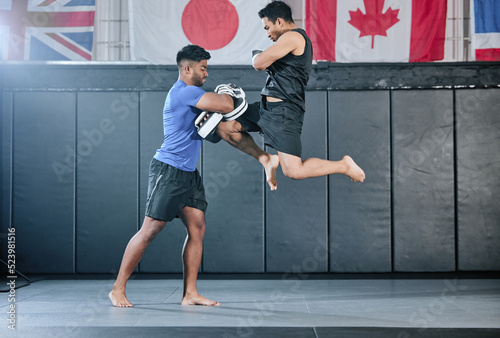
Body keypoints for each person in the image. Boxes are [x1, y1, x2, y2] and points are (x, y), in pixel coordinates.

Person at [109, 45, 241, 307]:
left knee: (198, 227)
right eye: (203, 68)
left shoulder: (193, 94)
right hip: (169, 171)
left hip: (188, 173)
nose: (206, 73)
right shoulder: (185, 92)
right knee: (150, 230)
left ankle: (190, 293)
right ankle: (117, 288)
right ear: (187, 68)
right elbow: (227, 104)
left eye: (207, 68)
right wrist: (228, 93)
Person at [216, 1, 365, 182]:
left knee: (294, 171)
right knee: (226, 127)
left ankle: (344, 165)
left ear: (279, 21)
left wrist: (256, 54)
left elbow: (259, 63)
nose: (267, 33)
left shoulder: (293, 37)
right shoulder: (286, 42)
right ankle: (266, 159)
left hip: (284, 113)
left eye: (267, 27)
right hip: (267, 109)